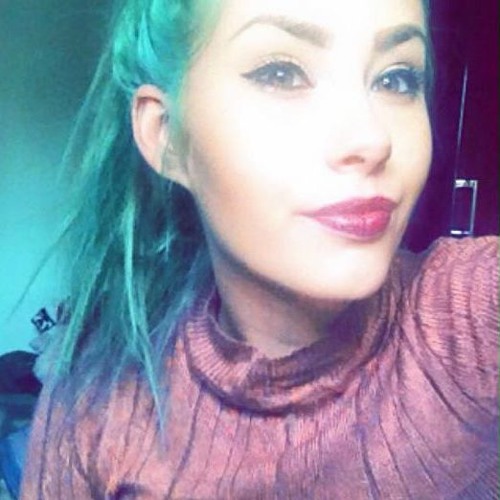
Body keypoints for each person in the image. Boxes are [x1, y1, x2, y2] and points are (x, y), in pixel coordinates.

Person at [21, 0, 498, 498]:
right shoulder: (94, 407)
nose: (373, 139)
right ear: (166, 136)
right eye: (282, 73)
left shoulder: (471, 318)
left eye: (397, 79)